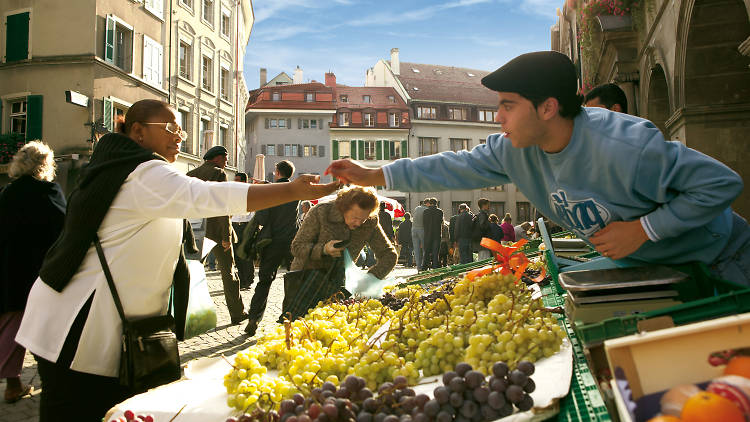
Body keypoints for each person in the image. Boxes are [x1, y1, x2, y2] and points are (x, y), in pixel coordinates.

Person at [14, 100, 337, 421]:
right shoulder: (143, 172)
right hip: (80, 329)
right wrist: (291, 191)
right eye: (169, 128)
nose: (179, 136)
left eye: (180, 128)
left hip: (84, 325)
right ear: (138, 132)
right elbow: (208, 196)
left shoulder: (121, 165)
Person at [325, 51, 749, 287]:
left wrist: (643, 230)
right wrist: (375, 175)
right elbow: (454, 166)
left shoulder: (625, 145)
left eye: (508, 106)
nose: (499, 118)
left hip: (725, 259)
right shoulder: (514, 150)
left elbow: (721, 184)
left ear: (548, 108)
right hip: (657, 272)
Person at [0, 142, 66, 404]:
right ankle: (52, 381)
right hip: (41, 272)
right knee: (47, 328)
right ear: (45, 165)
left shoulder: (7, 192)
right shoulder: (48, 191)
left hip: (9, 269)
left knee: (11, 326)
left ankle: (13, 384)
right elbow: (64, 230)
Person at [289, 186, 397, 305]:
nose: (358, 223)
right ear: (344, 208)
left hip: (338, 286)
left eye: (363, 219)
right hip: (304, 281)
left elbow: (389, 254)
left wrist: (370, 277)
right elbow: (297, 247)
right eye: (355, 218)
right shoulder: (321, 211)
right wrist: (323, 249)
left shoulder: (370, 222)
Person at [186, 146, 246, 324]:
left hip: (195, 230)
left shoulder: (191, 174)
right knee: (228, 273)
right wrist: (226, 236)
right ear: (217, 158)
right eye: (226, 158)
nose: (227, 162)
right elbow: (222, 206)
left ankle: (183, 313)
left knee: (190, 272)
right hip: (216, 232)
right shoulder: (218, 173)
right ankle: (237, 313)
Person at [244, 161, 300, 336]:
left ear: (276, 172)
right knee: (293, 280)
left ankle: (254, 319)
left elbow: (261, 218)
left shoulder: (270, 192)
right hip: (291, 242)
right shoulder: (295, 191)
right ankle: (289, 318)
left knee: (264, 281)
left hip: (272, 242)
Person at [231, 172, 255, 290]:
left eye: (237, 180)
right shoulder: (232, 194)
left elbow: (253, 213)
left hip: (246, 226)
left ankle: (248, 280)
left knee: (246, 253)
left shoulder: (250, 194)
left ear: (243, 182)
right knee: (237, 254)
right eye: (234, 180)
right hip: (234, 225)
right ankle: (241, 279)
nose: (235, 182)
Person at [422, 198, 443, 270]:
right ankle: (435, 267)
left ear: (430, 203)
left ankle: (424, 267)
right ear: (436, 203)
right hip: (437, 234)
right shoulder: (440, 212)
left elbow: (424, 223)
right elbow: (441, 222)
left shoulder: (425, 212)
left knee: (427, 252)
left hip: (427, 234)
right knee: (435, 252)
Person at [411, 199, 428, 271]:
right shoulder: (426, 209)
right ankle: (423, 265)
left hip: (414, 229)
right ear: (427, 203)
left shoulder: (416, 208)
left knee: (416, 249)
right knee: (425, 249)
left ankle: (418, 267)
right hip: (422, 229)